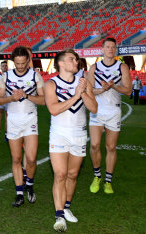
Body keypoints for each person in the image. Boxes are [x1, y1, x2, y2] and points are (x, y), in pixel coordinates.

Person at [44, 49, 97, 232]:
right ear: (61, 63)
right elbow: (53, 109)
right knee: (60, 174)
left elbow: (94, 108)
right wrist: (75, 95)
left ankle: (66, 207)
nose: (76, 62)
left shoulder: (84, 82)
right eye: (72, 59)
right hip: (59, 133)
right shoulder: (51, 84)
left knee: (72, 174)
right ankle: (59, 216)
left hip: (79, 134)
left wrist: (82, 92)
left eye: (76, 59)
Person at [0, 46, 45, 207]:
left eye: (23, 63)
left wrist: (27, 95)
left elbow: (43, 100)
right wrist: (11, 99)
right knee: (16, 159)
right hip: (13, 121)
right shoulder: (6, 76)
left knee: (30, 159)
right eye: (17, 63)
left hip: (30, 120)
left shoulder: (36, 76)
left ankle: (29, 185)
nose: (21, 66)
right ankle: (19, 193)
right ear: (13, 62)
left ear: (28, 60)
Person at [87, 38, 132, 195]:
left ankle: (108, 181)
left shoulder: (122, 67)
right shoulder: (94, 67)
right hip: (97, 110)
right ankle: (97, 176)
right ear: (103, 49)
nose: (110, 49)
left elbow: (128, 91)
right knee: (94, 145)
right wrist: (102, 89)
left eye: (113, 47)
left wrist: (114, 86)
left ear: (116, 50)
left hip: (113, 111)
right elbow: (89, 90)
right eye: (108, 46)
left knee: (111, 147)